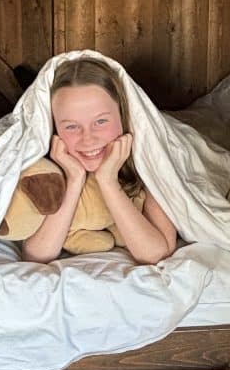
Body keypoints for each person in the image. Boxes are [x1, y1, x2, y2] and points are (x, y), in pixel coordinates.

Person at [21, 57, 178, 265]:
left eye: (101, 121)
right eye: (71, 126)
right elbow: (37, 255)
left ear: (123, 116)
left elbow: (157, 253)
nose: (88, 138)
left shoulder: (148, 158)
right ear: (53, 129)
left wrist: (108, 181)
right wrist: (74, 179)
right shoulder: (47, 166)